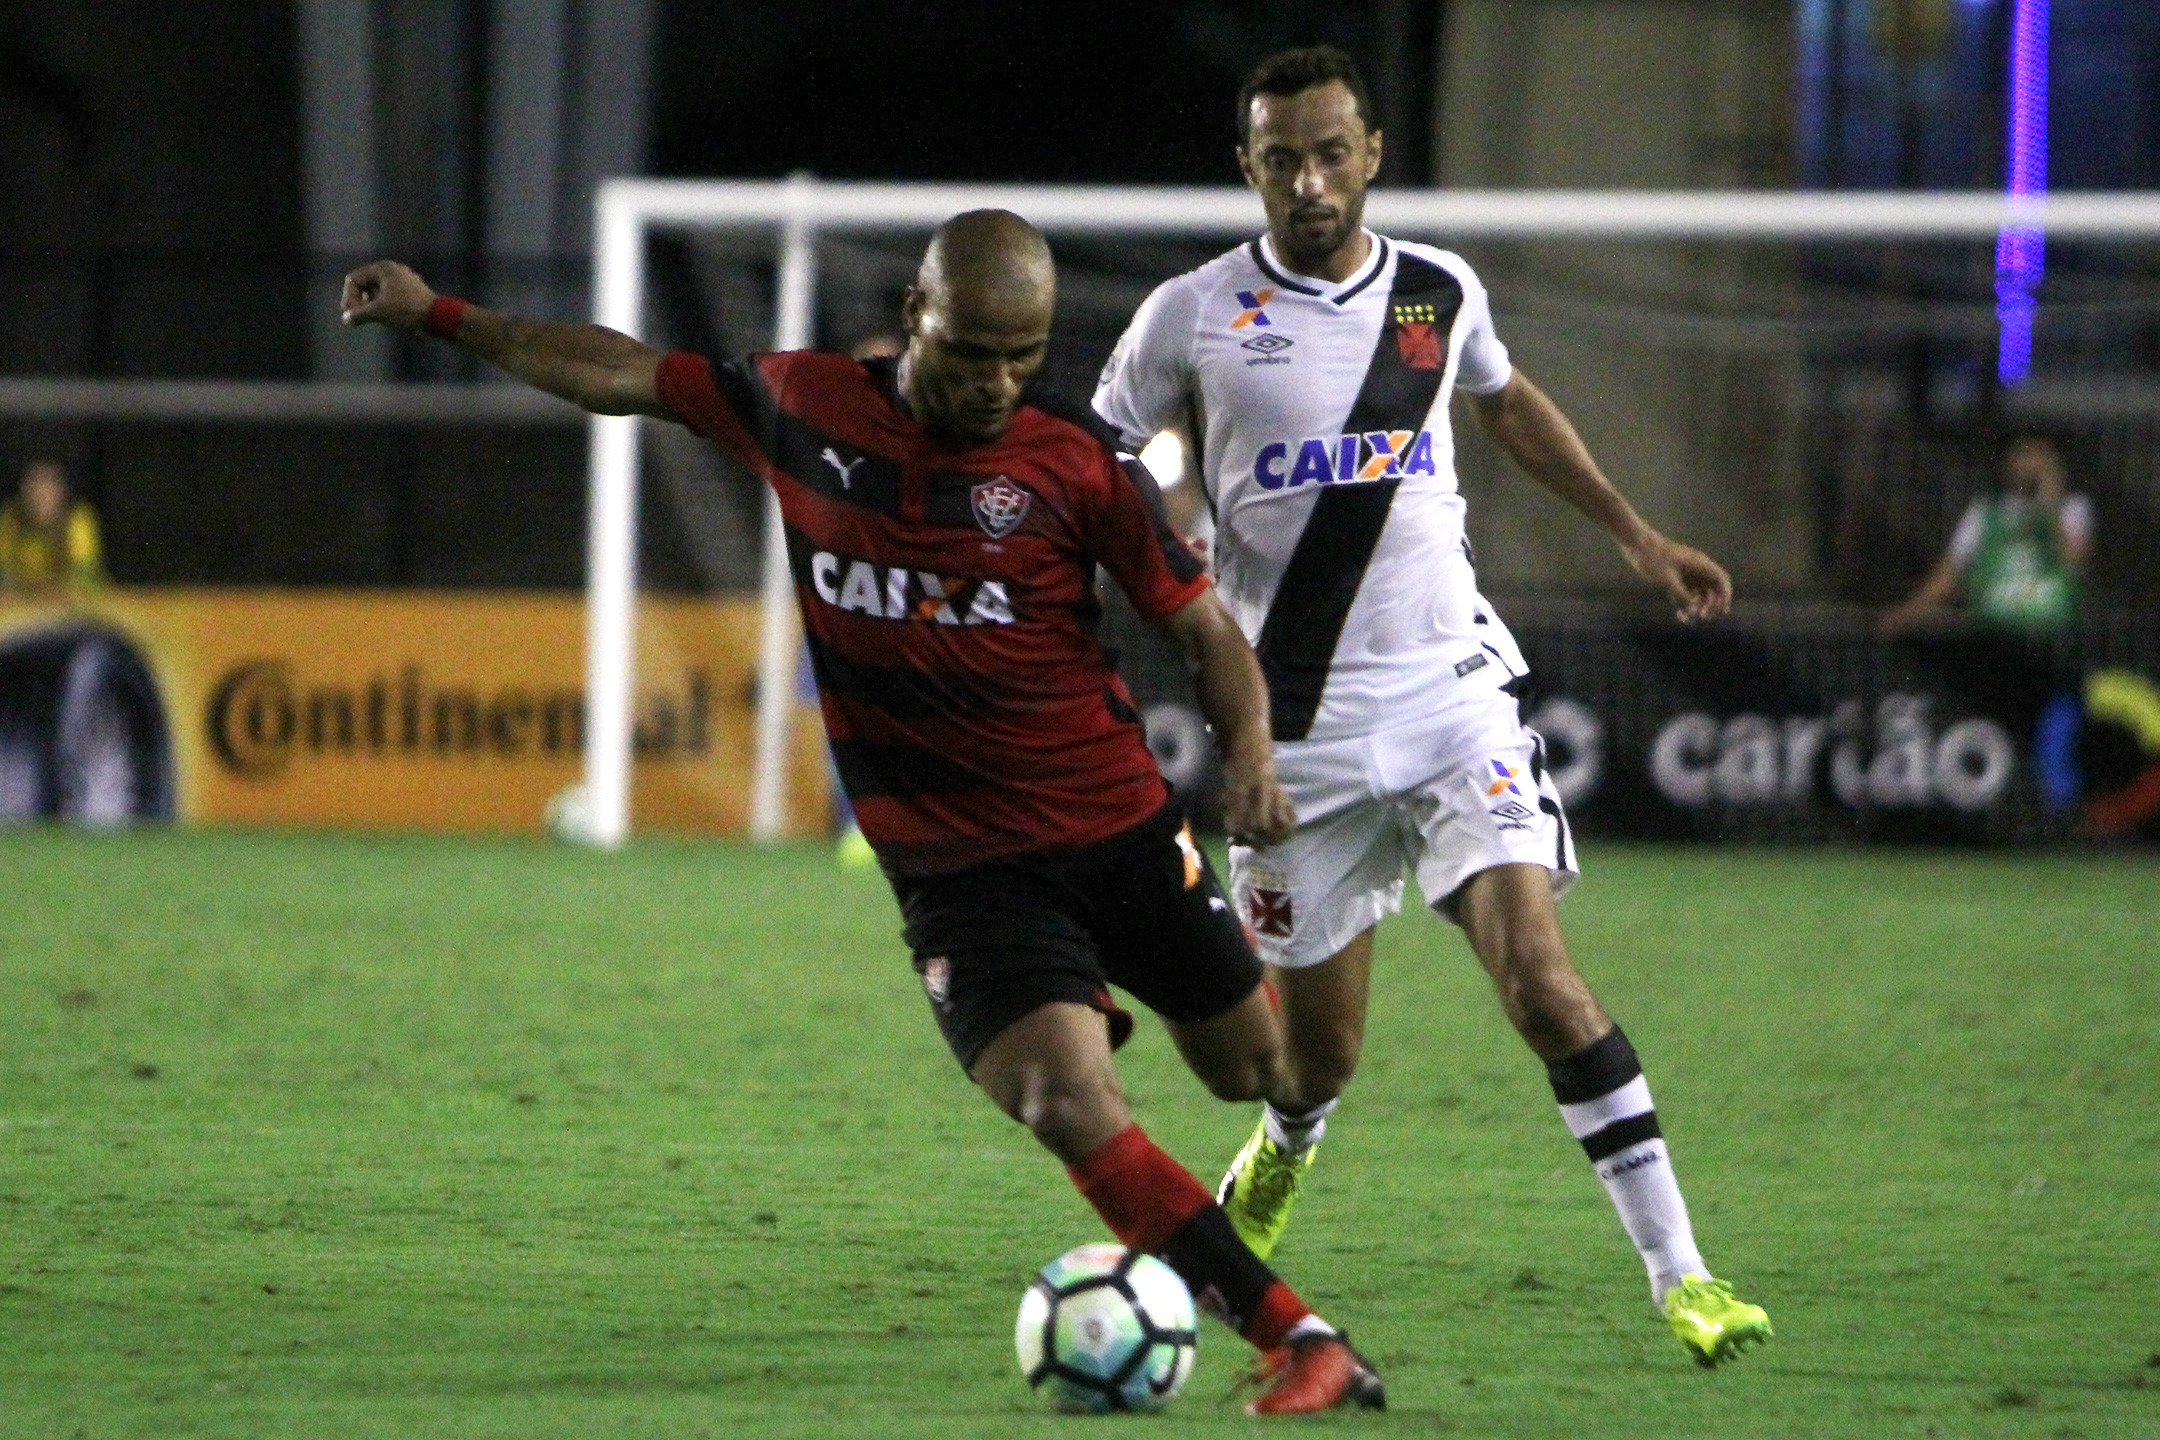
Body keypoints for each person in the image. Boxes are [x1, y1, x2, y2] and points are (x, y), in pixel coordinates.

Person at [340, 210, 1385, 1414]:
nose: (996, 384)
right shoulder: (806, 404)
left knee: (1257, 1070)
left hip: (1120, 834)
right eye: (973, 354)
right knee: (1062, 1101)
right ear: (914, 317)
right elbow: (616, 371)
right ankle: (1301, 1338)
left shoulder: (1077, 462)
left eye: (1021, 358)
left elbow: (1204, 631)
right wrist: (442, 315)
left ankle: (1229, 1099)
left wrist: (1248, 757)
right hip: (962, 874)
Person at [1093, 45, 1770, 1366]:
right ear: (1248, 168)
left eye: (1328, 153)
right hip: (1291, 733)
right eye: (1280, 159)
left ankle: (1685, 1278)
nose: (1308, 181)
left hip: (1455, 698)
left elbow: (1507, 405)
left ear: (1371, 155)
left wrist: (1637, 537)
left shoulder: (1435, 293)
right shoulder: (1192, 313)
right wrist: (1157, 561)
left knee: (1544, 985)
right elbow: (1095, 455)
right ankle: (1289, 1142)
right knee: (1314, 1064)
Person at [1880, 432, 2092, 637]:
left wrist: (2050, 504)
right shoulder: (1984, 512)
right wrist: (1909, 611)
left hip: (2047, 631)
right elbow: (1950, 571)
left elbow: (2073, 560)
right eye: (2024, 454)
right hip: (1993, 629)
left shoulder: (2071, 508)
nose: (2031, 465)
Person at [0, 459, 105, 595]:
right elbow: (4, 571)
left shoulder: (77, 520)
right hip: (24, 601)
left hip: (73, 602)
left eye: (49, 488)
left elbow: (83, 574)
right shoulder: (12, 520)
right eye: (34, 487)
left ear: (62, 492)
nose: (40, 496)